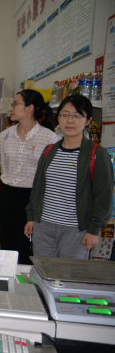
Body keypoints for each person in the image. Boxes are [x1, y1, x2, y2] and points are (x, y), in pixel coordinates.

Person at [25, 95, 113, 259]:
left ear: (88, 121)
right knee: (43, 270)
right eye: (65, 115)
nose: (70, 120)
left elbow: (104, 196)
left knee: (69, 273)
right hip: (44, 226)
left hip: (76, 230)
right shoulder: (49, 151)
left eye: (77, 116)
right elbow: (37, 187)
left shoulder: (97, 154)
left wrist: (94, 230)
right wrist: (32, 218)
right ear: (58, 118)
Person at [0, 89, 58, 264]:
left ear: (30, 108)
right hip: (7, 195)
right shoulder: (5, 135)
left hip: (31, 197)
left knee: (28, 246)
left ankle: (27, 280)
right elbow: (4, 168)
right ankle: (8, 277)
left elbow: (49, 175)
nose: (11, 108)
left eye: (16, 104)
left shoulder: (49, 138)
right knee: (7, 243)